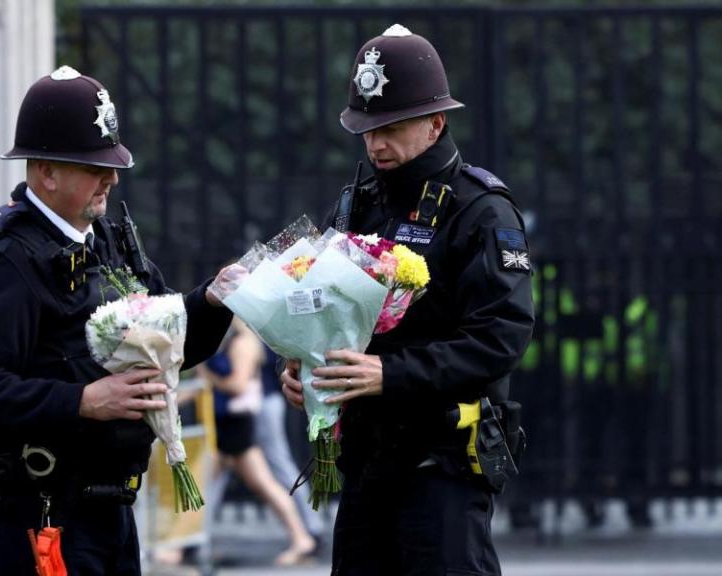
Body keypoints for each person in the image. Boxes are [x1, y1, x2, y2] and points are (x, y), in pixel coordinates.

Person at [0, 66, 234, 576]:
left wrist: (211, 303)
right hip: (36, 520)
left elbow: (169, 339)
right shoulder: (2, 260)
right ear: (46, 173)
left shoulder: (107, 243)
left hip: (107, 520)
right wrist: (82, 402)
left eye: (112, 163)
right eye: (93, 165)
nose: (112, 178)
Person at [280, 25, 535, 576]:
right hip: (366, 469)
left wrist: (387, 374)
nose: (375, 144)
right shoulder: (355, 205)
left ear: (435, 123)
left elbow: (501, 338)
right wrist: (303, 368)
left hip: (440, 471)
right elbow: (318, 311)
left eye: (390, 128)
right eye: (366, 129)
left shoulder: (481, 210)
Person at [202, 318, 317, 566]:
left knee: (267, 479)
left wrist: (206, 375)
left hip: (237, 424)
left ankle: (304, 534)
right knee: (210, 483)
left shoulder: (245, 342)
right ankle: (194, 543)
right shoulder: (231, 340)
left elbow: (237, 384)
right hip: (228, 423)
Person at [255, 346, 326, 539]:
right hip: (254, 405)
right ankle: (308, 530)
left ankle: (310, 528)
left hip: (262, 402)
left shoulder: (252, 339)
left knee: (279, 465)